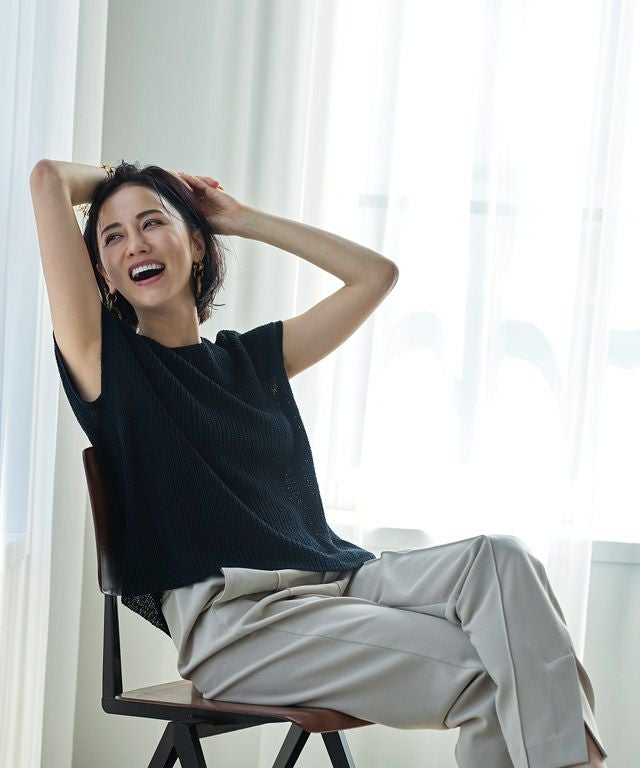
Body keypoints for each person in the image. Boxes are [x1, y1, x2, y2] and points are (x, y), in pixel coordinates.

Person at [30, 158, 608, 768]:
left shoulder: (250, 361)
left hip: (334, 580)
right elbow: (48, 180)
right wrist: (137, 179)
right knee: (488, 673)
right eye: (113, 236)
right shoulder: (110, 367)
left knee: (501, 558)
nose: (135, 244)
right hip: (239, 625)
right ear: (103, 272)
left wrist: (242, 218)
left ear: (197, 244)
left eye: (152, 223)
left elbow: (376, 276)